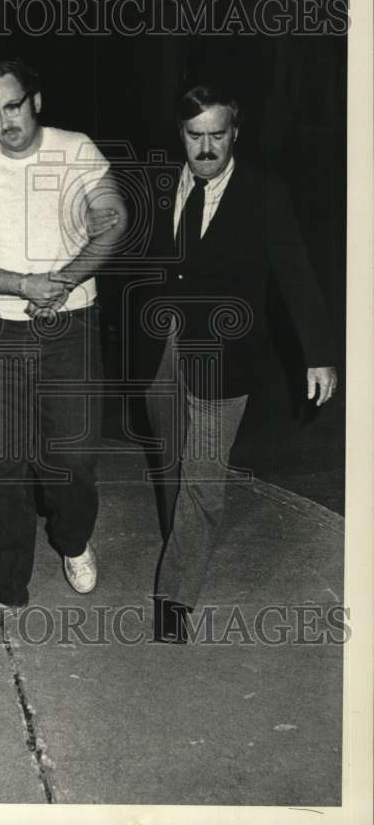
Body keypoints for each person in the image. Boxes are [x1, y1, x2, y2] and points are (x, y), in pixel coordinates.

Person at [139, 81, 337, 643]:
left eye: (217, 136)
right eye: (195, 136)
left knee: (203, 475)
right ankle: (182, 543)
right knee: (171, 464)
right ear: (180, 134)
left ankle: (175, 595)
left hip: (225, 357)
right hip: (160, 351)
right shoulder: (159, 186)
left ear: (235, 133)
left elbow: (297, 274)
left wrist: (318, 355)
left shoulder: (266, 193)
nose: (206, 149)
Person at [0, 59, 127, 626]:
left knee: (71, 459)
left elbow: (113, 220)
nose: (5, 122)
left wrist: (60, 280)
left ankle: (72, 540)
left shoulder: (77, 149)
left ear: (35, 100)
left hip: (69, 325)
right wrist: (23, 284)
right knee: (0, 466)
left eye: (13, 106)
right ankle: (4, 587)